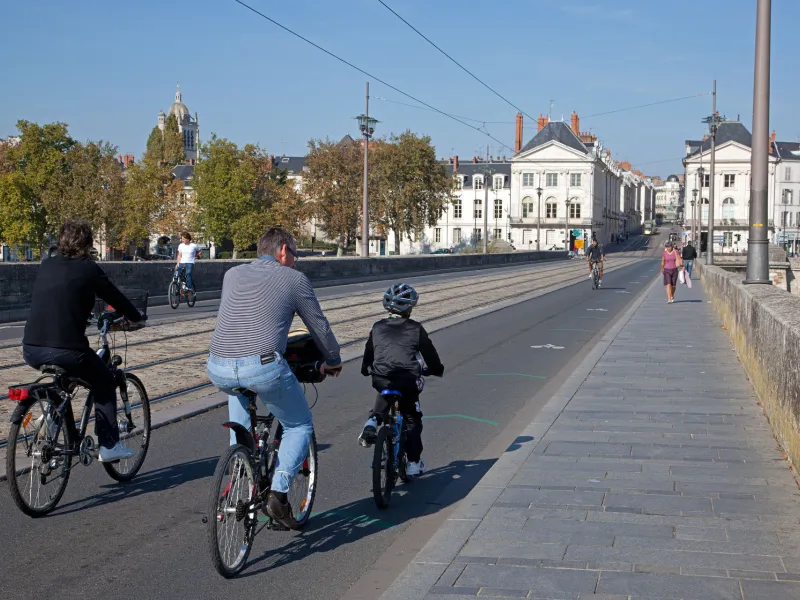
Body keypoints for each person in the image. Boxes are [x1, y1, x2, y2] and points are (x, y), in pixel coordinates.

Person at [207, 227, 342, 530]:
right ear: (283, 250)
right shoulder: (295, 279)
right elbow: (318, 326)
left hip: (218, 366)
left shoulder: (232, 274)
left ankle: (241, 471)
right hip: (263, 366)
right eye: (294, 254)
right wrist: (333, 360)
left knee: (241, 418)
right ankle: (278, 495)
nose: (295, 261)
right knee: (299, 424)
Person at [22, 218, 144, 462]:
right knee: (105, 381)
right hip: (67, 351)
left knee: (67, 381)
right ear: (87, 244)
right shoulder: (88, 268)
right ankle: (109, 445)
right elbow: (114, 296)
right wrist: (135, 316)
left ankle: (51, 426)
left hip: (31, 349)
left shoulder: (47, 264)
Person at [358, 283, 445, 477]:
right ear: (410, 307)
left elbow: (369, 353)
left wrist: (366, 369)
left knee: (385, 388)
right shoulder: (415, 328)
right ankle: (413, 462)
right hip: (407, 379)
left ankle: (372, 421)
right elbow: (429, 353)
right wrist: (436, 370)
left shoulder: (377, 326)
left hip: (381, 377)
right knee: (412, 419)